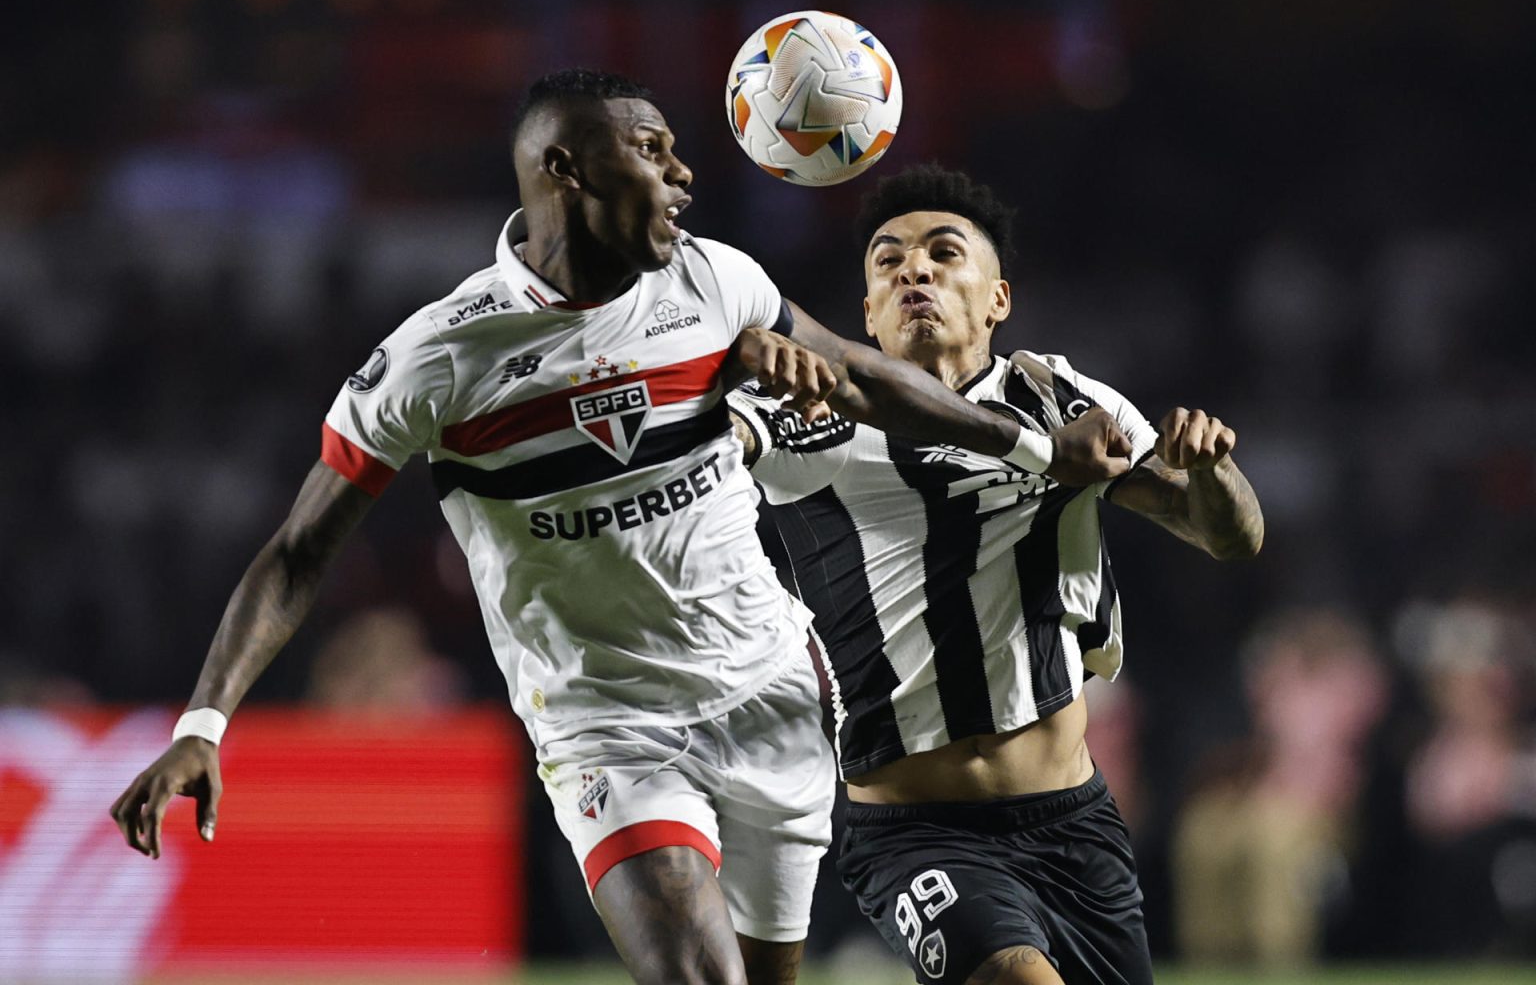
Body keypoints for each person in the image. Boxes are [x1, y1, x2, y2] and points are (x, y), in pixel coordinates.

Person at [109, 73, 1132, 985]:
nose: (684, 172)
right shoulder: (440, 357)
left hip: (770, 691)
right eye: (652, 149)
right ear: (565, 167)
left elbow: (863, 378)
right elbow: (300, 550)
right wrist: (203, 724)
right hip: (608, 721)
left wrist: (1037, 451)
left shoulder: (712, 282)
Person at [728, 164, 1265, 985]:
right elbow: (692, 451)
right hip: (914, 831)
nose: (915, 269)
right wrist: (721, 380)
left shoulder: (1058, 400)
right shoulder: (807, 414)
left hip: (1074, 822)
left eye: (945, 253)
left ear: (997, 300)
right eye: (888, 260)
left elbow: (1230, 538)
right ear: (866, 311)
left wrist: (1213, 469)